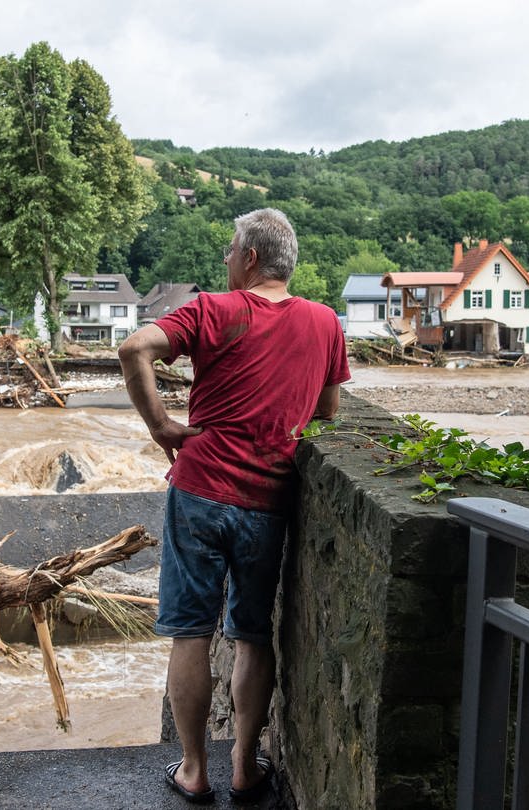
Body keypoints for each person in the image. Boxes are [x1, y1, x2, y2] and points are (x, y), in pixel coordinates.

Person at [118, 208, 350, 804]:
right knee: (252, 634)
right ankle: (246, 766)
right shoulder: (325, 322)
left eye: (229, 250)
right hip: (269, 498)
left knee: (190, 632)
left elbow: (134, 349)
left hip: (199, 490)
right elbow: (327, 414)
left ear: (249, 258)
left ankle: (194, 771)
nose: (225, 260)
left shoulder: (211, 310)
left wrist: (163, 426)